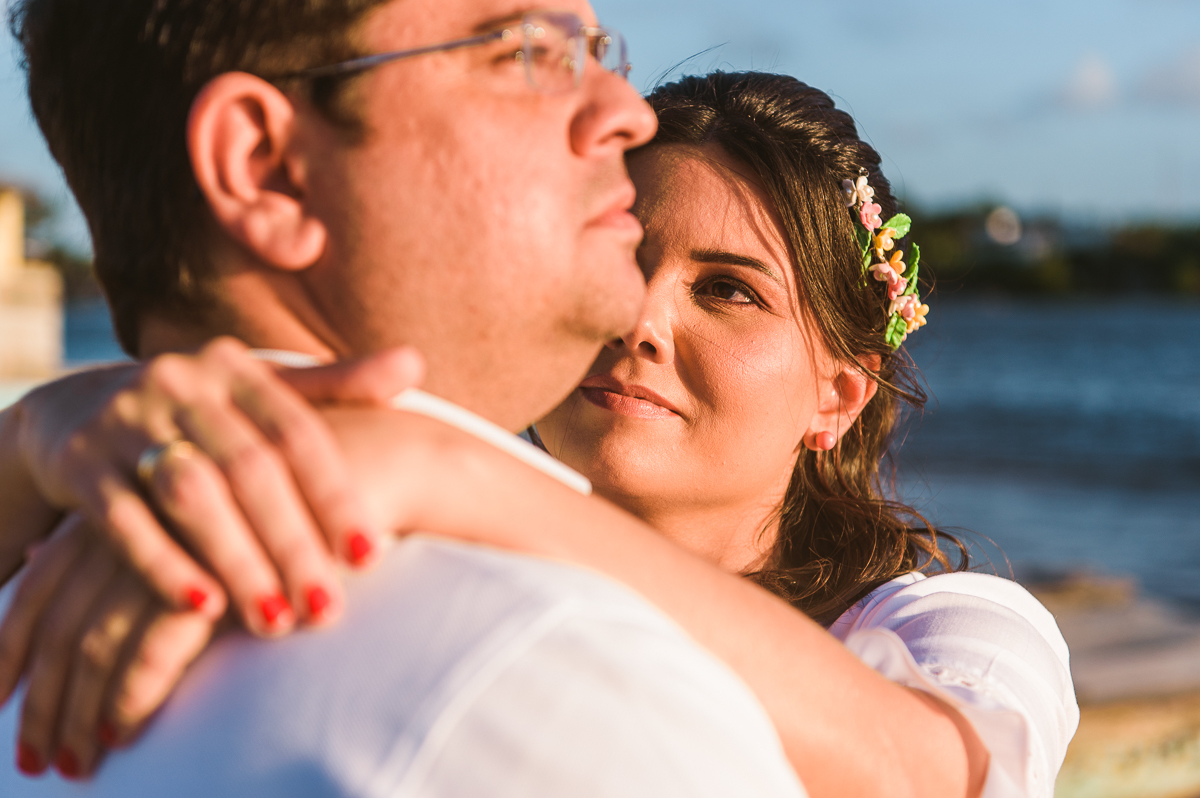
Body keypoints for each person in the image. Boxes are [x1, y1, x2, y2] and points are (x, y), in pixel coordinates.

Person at [0, 67, 1078, 798]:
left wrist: (442, 462)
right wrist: (40, 432)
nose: (641, 322)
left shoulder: (963, 629)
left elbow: (931, 774)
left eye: (729, 292)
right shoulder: (425, 535)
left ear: (837, 399)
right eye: (628, 260)